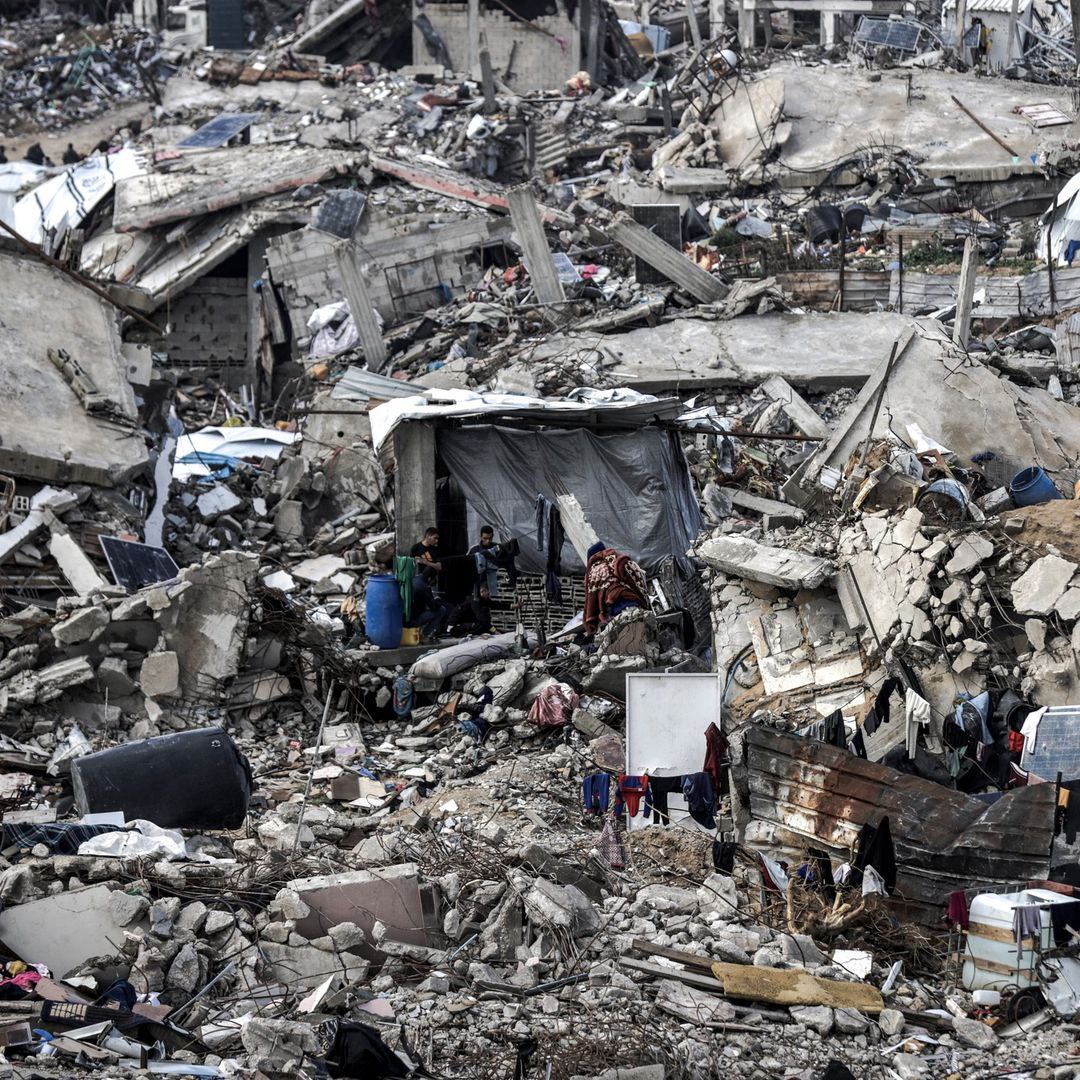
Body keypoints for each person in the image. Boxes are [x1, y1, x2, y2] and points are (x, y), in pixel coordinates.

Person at [583, 541, 647, 638]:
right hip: (635, 604)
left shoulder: (595, 570)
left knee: (625, 641)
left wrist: (591, 622)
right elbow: (639, 582)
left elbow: (592, 601)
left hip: (615, 611)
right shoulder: (622, 560)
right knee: (640, 636)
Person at [410, 527, 449, 642]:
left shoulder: (435, 550)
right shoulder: (416, 548)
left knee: (431, 606)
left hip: (430, 582)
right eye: (435, 538)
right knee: (432, 608)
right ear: (428, 536)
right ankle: (422, 634)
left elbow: (439, 566)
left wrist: (425, 562)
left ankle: (429, 633)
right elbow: (411, 564)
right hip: (419, 582)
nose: (436, 541)